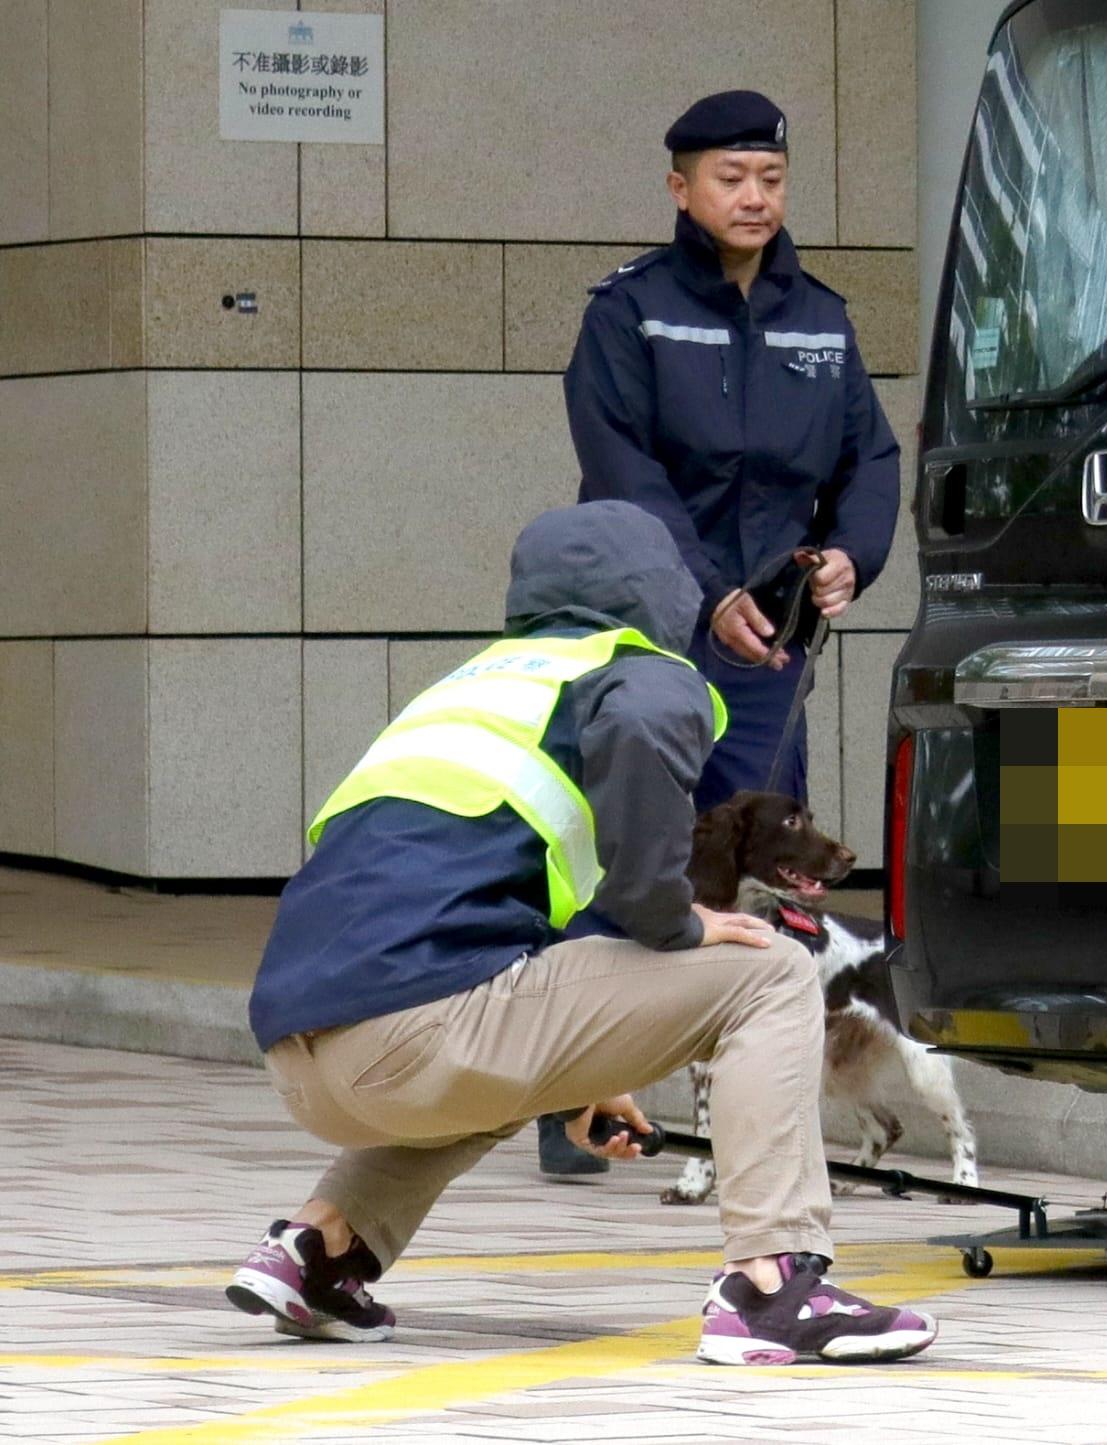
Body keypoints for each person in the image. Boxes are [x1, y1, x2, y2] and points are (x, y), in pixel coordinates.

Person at [224, 501, 936, 1366]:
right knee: (773, 966)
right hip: (420, 1030)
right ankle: (772, 1283)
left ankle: (319, 1249)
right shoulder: (635, 671)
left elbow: (466, 917)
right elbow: (640, 743)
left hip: (309, 1055)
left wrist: (572, 1077)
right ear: (661, 588)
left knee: (486, 1065)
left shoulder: (477, 683)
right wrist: (673, 919)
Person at [550, 88, 901, 1180]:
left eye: (771, 179)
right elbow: (623, 468)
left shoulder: (820, 317)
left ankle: (750, 1109)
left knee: (761, 862)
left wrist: (853, 549)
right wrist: (704, 591)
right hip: (651, 626)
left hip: (768, 642)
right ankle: (579, 1099)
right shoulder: (632, 311)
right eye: (729, 179)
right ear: (680, 188)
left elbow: (871, 457)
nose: (753, 197)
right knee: (632, 847)